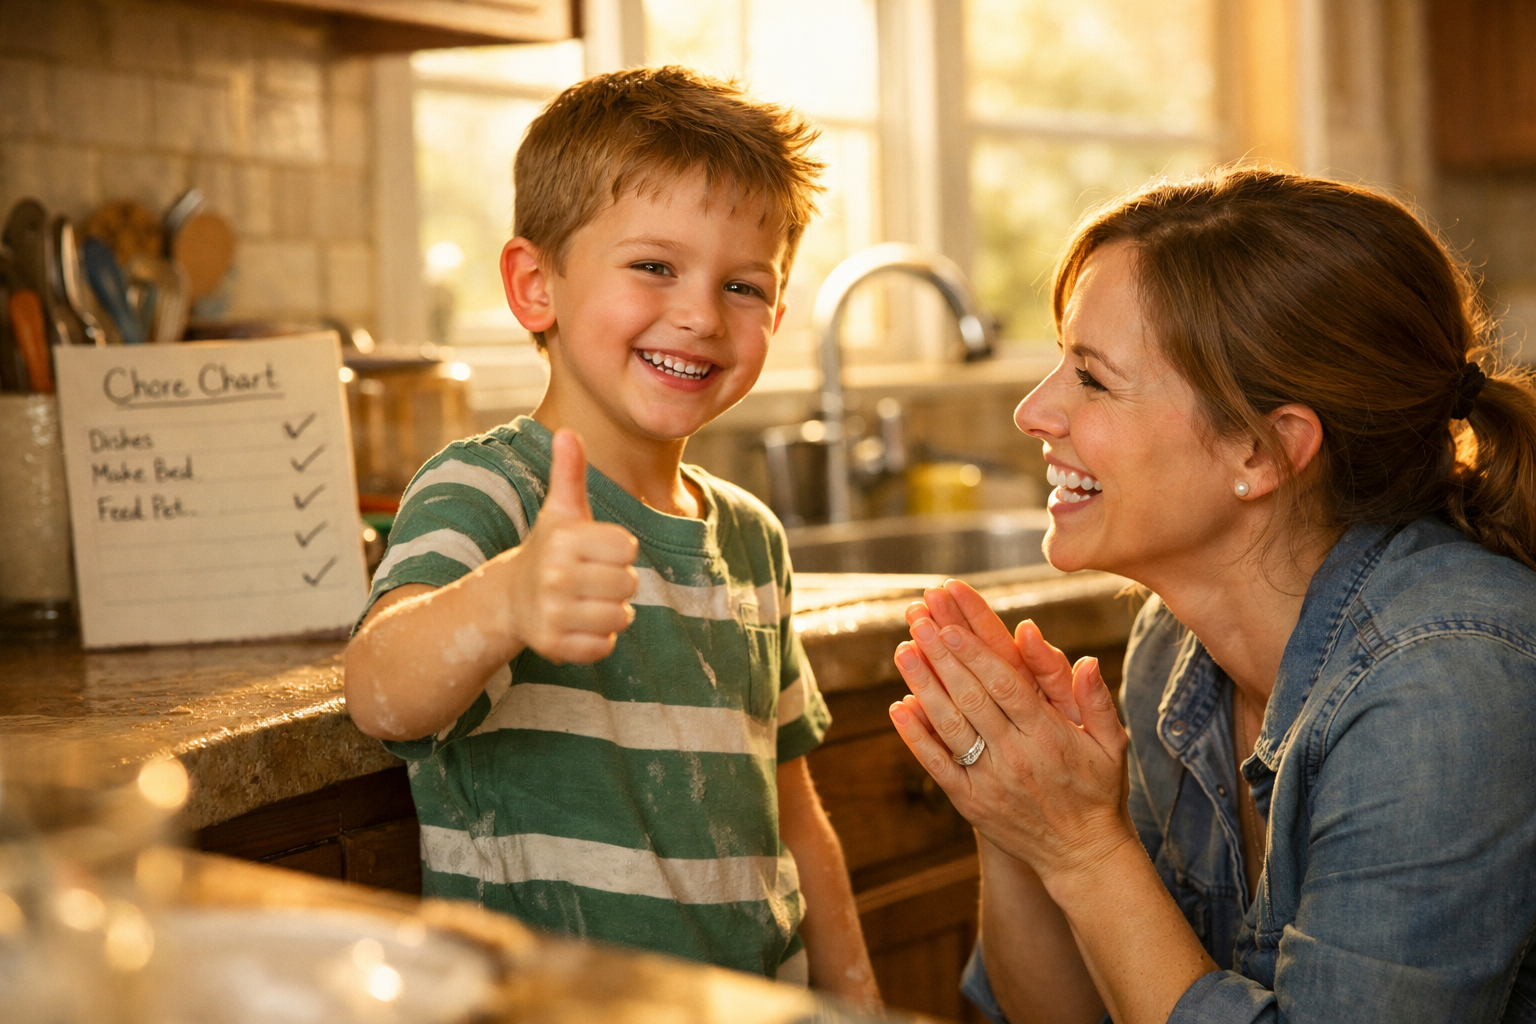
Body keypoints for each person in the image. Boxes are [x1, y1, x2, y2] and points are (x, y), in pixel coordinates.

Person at [887, 167, 1536, 1023]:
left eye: (1092, 377)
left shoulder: (1445, 684)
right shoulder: (1177, 643)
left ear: (1260, 454)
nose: (1033, 412)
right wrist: (1016, 812)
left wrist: (1085, 848)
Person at [344, 66, 879, 1006]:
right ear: (534, 284)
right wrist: (509, 596)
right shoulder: (489, 490)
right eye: (653, 266)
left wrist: (853, 997)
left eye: (745, 285)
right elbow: (380, 691)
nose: (702, 314)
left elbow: (793, 811)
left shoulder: (752, 537)